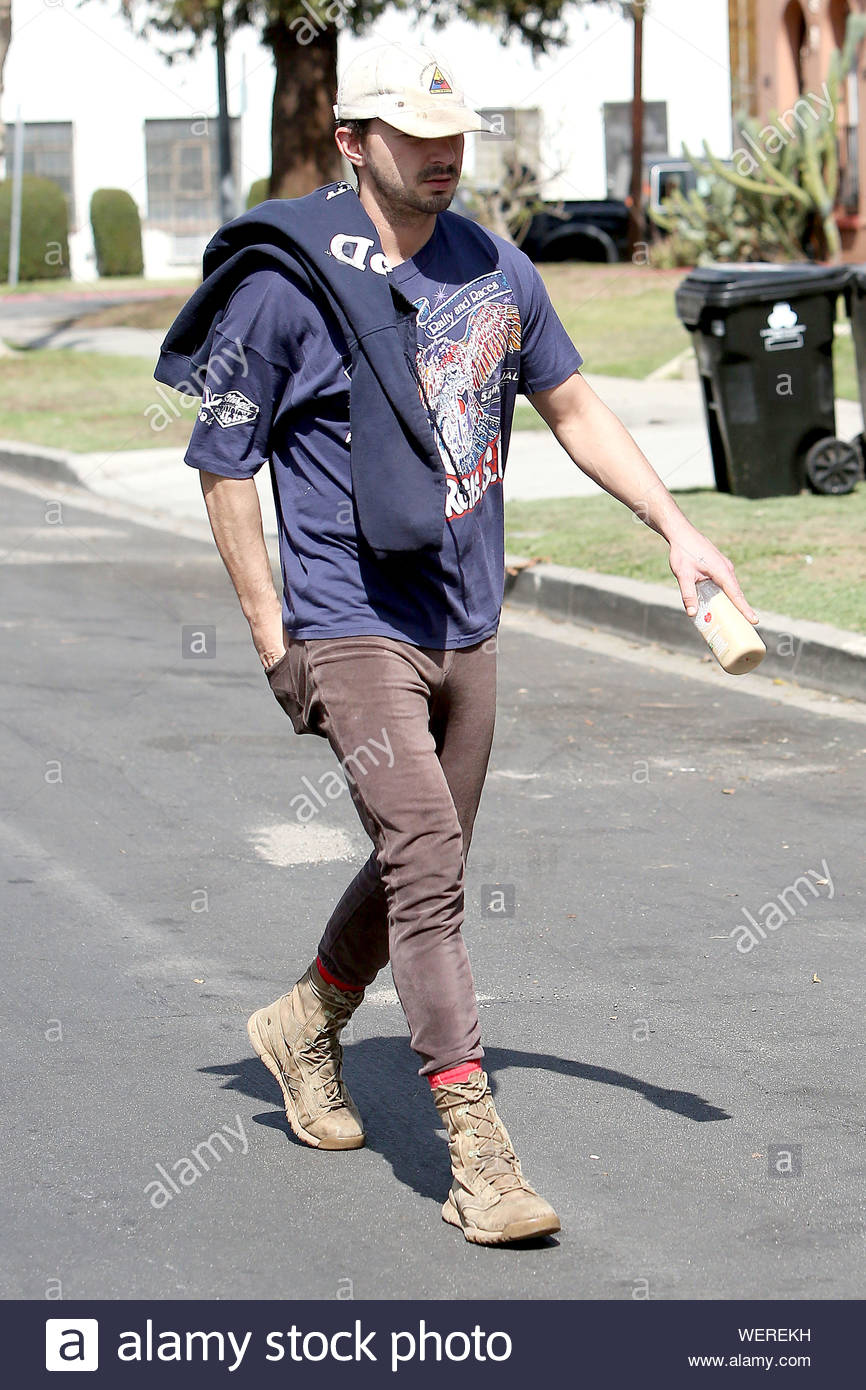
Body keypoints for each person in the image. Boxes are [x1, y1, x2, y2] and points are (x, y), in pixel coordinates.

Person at [162, 41, 759, 1247]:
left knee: (414, 869)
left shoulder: (494, 266)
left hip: (462, 616)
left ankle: (304, 1022)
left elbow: (576, 409)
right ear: (351, 142)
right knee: (426, 853)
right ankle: (476, 1153)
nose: (441, 158)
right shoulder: (286, 286)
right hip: (347, 618)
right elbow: (225, 471)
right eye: (412, 137)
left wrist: (677, 532)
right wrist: (276, 634)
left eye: (453, 137)